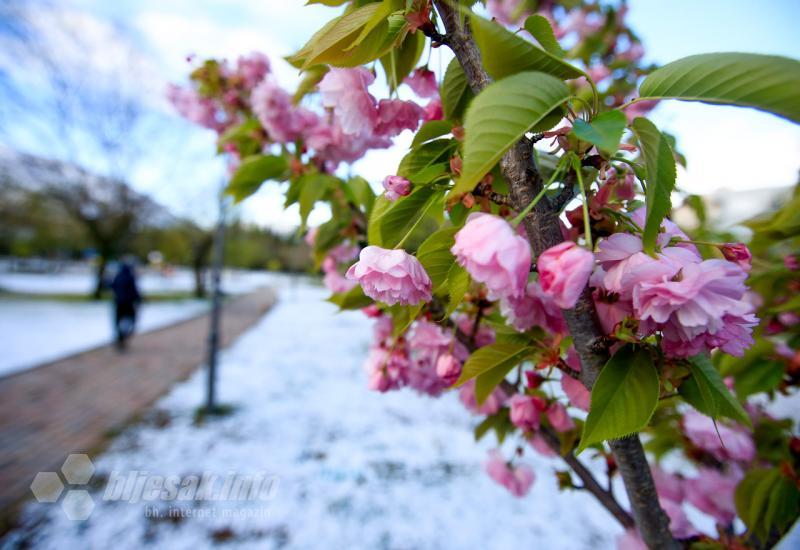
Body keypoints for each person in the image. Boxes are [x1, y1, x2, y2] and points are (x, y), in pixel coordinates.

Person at [110, 260, 141, 351]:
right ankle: (123, 336)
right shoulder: (130, 277)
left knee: (118, 321)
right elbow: (134, 290)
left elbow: (112, 287)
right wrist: (138, 299)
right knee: (131, 320)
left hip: (118, 303)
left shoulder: (118, 276)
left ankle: (120, 337)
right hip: (128, 303)